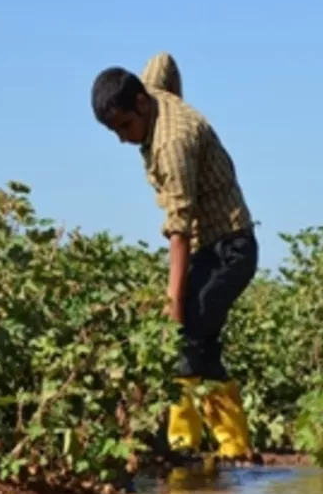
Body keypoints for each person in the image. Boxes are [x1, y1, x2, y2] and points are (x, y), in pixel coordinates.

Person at [91, 52, 258, 461]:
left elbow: (179, 231)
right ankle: (225, 445)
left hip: (229, 248)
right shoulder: (151, 91)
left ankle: (193, 446)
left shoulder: (173, 144)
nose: (124, 138)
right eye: (114, 131)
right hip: (212, 247)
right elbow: (163, 60)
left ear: (142, 104)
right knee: (198, 340)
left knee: (188, 337)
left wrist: (173, 302)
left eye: (126, 126)